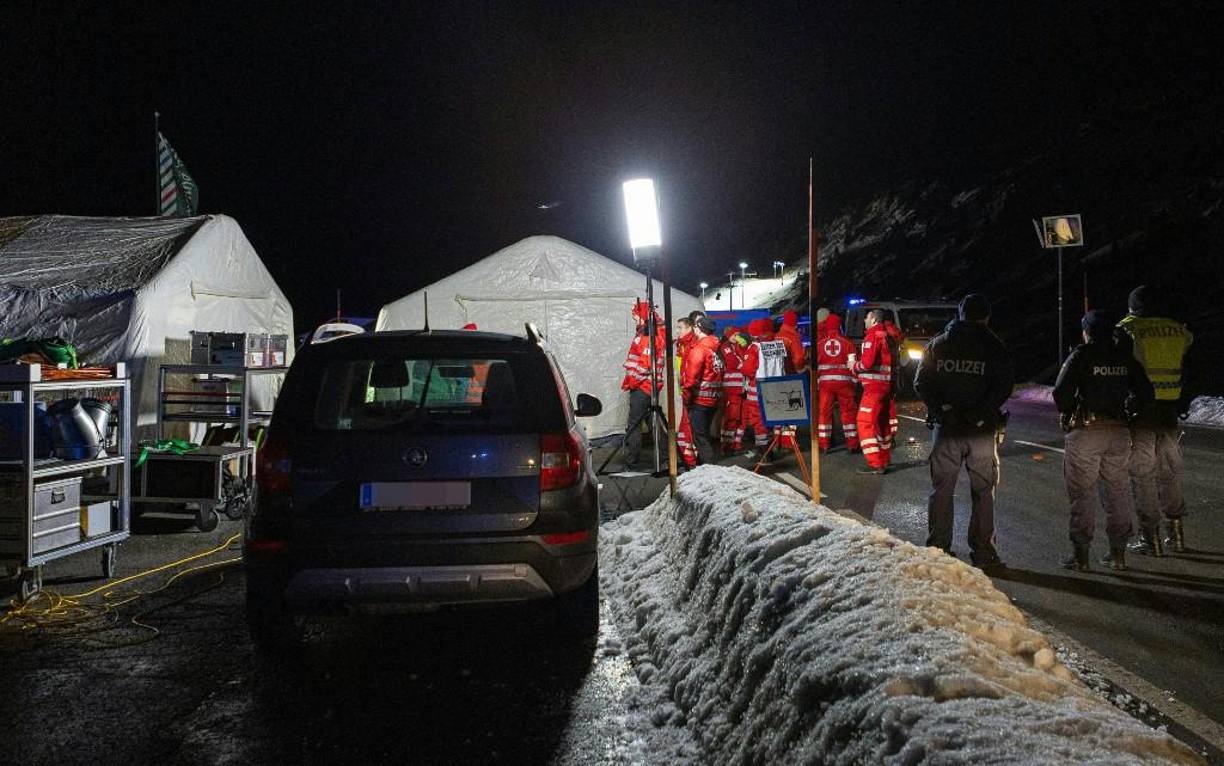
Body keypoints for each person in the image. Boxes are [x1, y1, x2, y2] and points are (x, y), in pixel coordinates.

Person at [912, 294, 1012, 570]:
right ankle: (983, 552)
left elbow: (921, 382)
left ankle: (938, 548)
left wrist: (943, 410)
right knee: (983, 491)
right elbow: (1003, 386)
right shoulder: (994, 346)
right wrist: (980, 413)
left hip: (947, 430)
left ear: (960, 314)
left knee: (941, 490)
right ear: (986, 317)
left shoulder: (939, 344)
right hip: (981, 431)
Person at [1054, 310, 1154, 571]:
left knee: (1082, 494)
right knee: (1117, 493)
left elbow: (1060, 393)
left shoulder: (1081, 355)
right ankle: (1118, 555)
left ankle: (1081, 556)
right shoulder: (1124, 356)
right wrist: (1131, 412)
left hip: (1087, 431)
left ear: (1087, 332)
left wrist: (1071, 409)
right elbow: (1146, 392)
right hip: (1119, 431)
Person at [1115, 285, 1194, 554]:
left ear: (1134, 307)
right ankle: (1177, 534)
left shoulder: (1128, 328)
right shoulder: (1178, 329)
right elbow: (1191, 362)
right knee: (1169, 472)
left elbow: (1120, 365)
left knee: (1143, 475)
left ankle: (1151, 538)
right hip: (1169, 411)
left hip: (1141, 412)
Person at [850, 309, 899, 473]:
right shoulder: (887, 336)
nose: (864, 320)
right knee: (882, 424)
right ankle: (884, 458)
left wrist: (854, 366)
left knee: (864, 422)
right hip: (885, 387)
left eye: (867, 317)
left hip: (873, 388)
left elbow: (867, 363)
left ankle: (875, 463)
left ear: (873, 319)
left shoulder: (873, 336)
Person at [620, 299, 665, 471]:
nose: (633, 318)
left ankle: (632, 461)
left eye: (635, 315)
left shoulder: (647, 338)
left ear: (642, 316)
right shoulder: (648, 335)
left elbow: (646, 365)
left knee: (635, 423)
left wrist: (633, 380)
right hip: (646, 386)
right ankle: (664, 457)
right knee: (653, 421)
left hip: (642, 386)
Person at [682, 316, 725, 465]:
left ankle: (710, 471)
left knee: (699, 437)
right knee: (705, 434)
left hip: (699, 400)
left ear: (698, 328)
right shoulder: (717, 350)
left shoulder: (699, 349)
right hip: (714, 399)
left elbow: (691, 379)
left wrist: (686, 398)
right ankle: (704, 466)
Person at [815, 312, 858, 453]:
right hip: (844, 383)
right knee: (848, 412)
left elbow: (816, 364)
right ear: (839, 326)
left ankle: (824, 444)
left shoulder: (819, 344)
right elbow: (852, 364)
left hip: (825, 384)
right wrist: (855, 380)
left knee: (824, 413)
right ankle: (852, 444)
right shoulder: (848, 343)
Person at [674, 316, 698, 468]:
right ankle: (689, 460)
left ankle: (691, 462)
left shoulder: (691, 345)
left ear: (689, 328)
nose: (677, 331)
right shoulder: (681, 344)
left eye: (680, 327)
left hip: (688, 392)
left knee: (688, 429)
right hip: (682, 391)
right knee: (684, 429)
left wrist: (686, 390)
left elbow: (691, 371)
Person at [719, 327, 747, 454]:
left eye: (738, 334)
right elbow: (732, 363)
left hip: (741, 387)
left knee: (742, 417)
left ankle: (737, 444)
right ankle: (727, 445)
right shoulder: (725, 347)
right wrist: (744, 364)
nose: (737, 337)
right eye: (734, 334)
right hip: (732, 388)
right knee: (732, 417)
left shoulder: (739, 346)